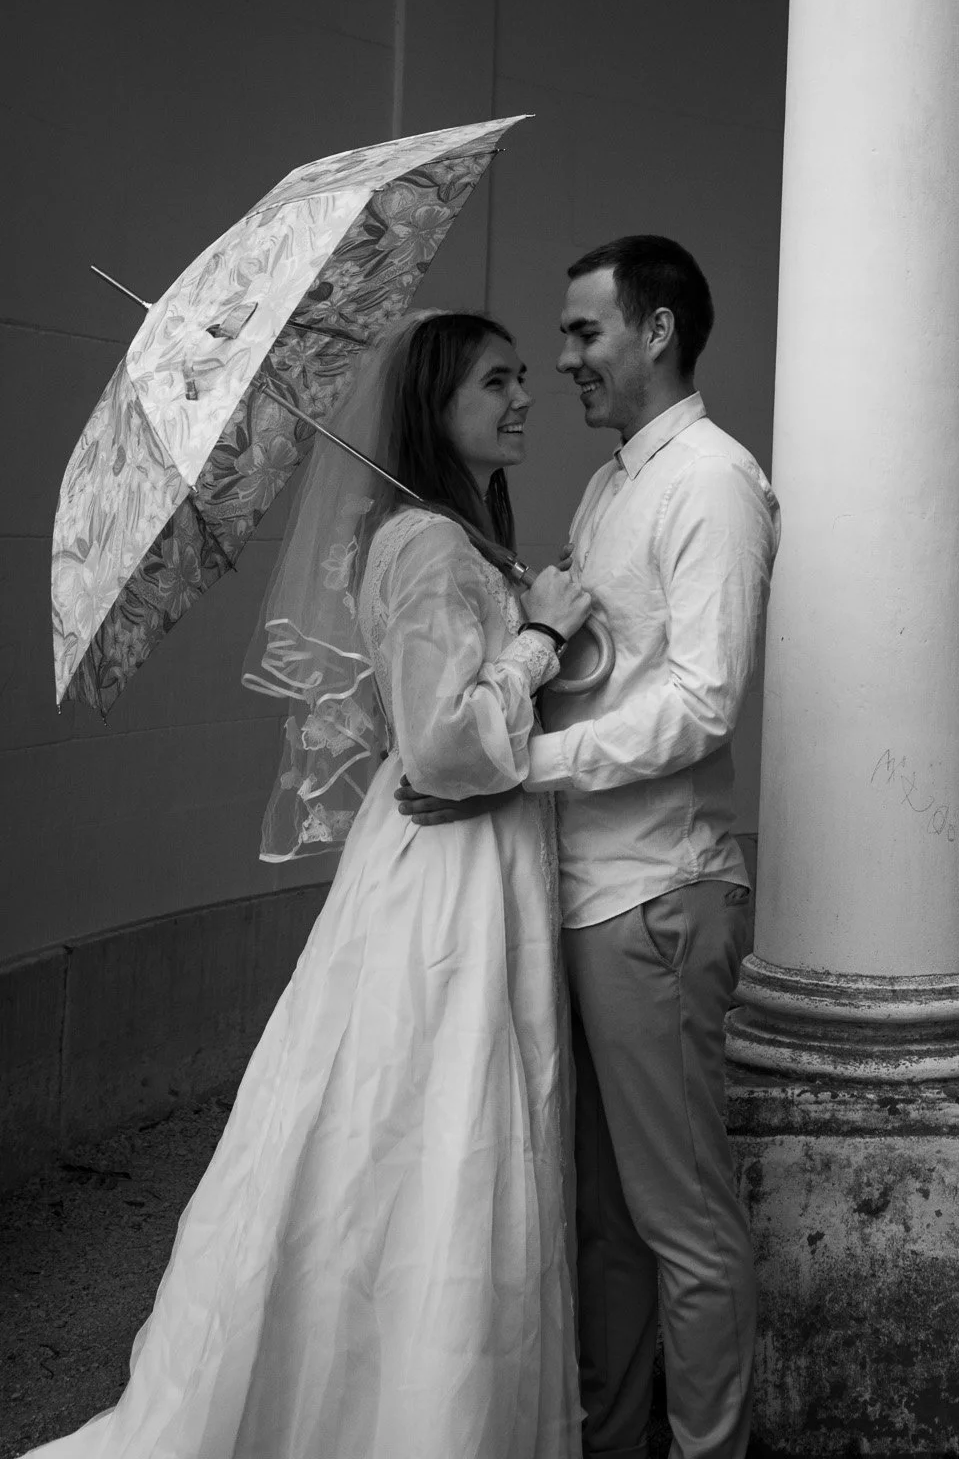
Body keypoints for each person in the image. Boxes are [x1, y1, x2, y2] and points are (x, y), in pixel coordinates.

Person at [25, 310, 594, 1459]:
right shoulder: (431, 546)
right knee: (438, 1125)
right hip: (449, 871)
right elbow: (442, 748)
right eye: (498, 380)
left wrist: (530, 622)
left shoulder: (449, 537)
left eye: (527, 375)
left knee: (421, 1121)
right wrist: (533, 638)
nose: (524, 394)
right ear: (438, 407)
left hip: (460, 857)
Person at [401, 239, 780, 1459]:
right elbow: (599, 672)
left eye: (582, 333)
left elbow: (703, 701)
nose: (560, 358)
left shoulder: (713, 481)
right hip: (583, 889)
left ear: (657, 331)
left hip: (659, 896)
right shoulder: (613, 483)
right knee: (606, 1222)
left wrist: (528, 767)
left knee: (685, 1222)